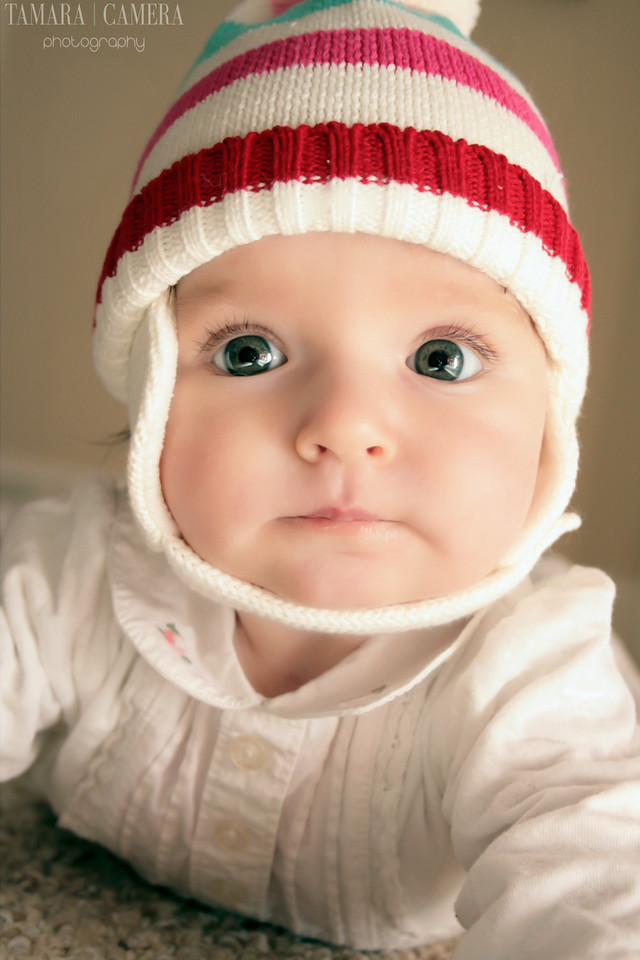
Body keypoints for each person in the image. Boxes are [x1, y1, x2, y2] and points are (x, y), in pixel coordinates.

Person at [2, 0, 639, 956]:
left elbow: (598, 888)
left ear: (550, 418)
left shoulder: (533, 668)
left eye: (442, 360)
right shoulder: (78, 569)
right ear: (155, 391)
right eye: (250, 351)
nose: (343, 427)